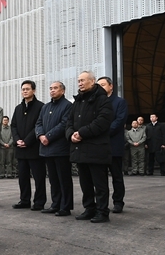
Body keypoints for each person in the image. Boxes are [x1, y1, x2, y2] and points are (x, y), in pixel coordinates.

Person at [66, 71, 114, 224]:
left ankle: (102, 211)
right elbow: (69, 121)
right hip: (80, 148)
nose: (80, 83)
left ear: (92, 82)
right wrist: (71, 134)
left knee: (99, 183)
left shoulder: (102, 100)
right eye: (78, 80)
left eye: (83, 80)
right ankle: (89, 208)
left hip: (96, 148)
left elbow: (102, 122)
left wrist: (81, 133)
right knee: (85, 182)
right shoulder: (78, 102)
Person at [35, 81, 74, 216]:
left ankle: (65, 206)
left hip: (60, 149)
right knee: (53, 179)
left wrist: (48, 137)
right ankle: (55, 204)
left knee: (63, 179)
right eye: (50, 88)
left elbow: (64, 124)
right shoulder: (45, 107)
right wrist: (40, 135)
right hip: (47, 149)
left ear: (62, 91)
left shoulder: (68, 106)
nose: (52, 90)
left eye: (55, 88)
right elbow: (38, 123)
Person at [10, 80, 46, 210]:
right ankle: (24, 200)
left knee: (38, 177)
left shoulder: (41, 107)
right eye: (23, 89)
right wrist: (17, 139)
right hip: (20, 148)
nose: (24, 91)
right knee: (23, 177)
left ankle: (39, 201)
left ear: (34, 90)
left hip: (34, 148)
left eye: (27, 89)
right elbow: (13, 126)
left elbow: (39, 125)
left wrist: (27, 141)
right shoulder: (18, 108)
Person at [97, 76, 128, 213]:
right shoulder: (96, 103)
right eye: (98, 85)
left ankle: (118, 202)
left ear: (111, 86)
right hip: (98, 146)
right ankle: (101, 204)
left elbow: (119, 121)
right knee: (100, 178)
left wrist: (103, 132)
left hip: (113, 144)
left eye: (103, 85)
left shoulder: (119, 102)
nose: (101, 87)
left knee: (116, 176)